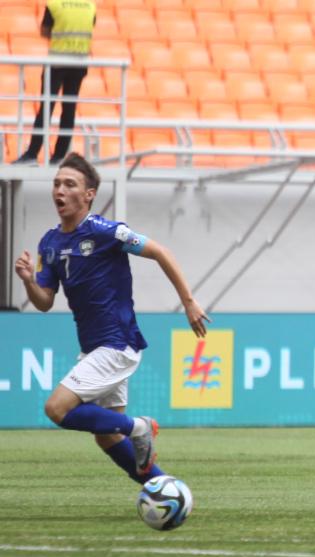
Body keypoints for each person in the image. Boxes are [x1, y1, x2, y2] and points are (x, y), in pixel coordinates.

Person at [13, 153, 209, 486]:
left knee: (56, 409)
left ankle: (139, 427)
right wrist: (30, 280)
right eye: (56, 183)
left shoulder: (108, 232)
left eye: (69, 184)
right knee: (106, 436)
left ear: (89, 194)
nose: (59, 190)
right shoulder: (49, 243)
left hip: (117, 344)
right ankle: (163, 489)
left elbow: (160, 252)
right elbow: (45, 302)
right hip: (95, 348)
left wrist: (188, 302)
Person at [14, 0, 96, 165]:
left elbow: (45, 31)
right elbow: (90, 29)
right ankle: (59, 156)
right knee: (69, 109)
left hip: (57, 63)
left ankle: (32, 153)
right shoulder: (90, 5)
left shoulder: (55, 5)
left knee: (46, 107)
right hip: (79, 63)